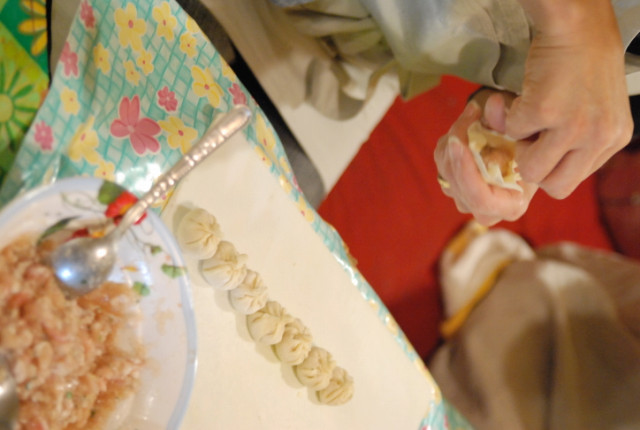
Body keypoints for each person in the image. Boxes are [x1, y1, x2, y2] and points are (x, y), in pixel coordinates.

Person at [271, 0, 640, 225]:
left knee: (279, 209)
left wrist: (502, 130)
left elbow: (529, 70)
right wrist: (582, 19)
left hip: (356, 55)